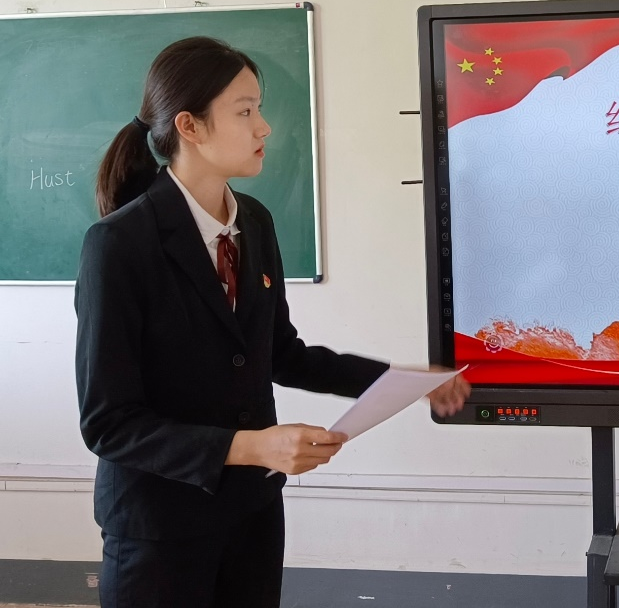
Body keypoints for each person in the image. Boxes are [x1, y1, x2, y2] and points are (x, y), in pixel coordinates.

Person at [74, 36, 469, 608]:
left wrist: (399, 381)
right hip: (158, 528)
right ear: (190, 126)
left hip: (252, 515)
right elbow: (109, 425)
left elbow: (280, 353)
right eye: (244, 112)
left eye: (258, 109)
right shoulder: (118, 245)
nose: (264, 127)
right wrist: (251, 447)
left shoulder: (254, 223)